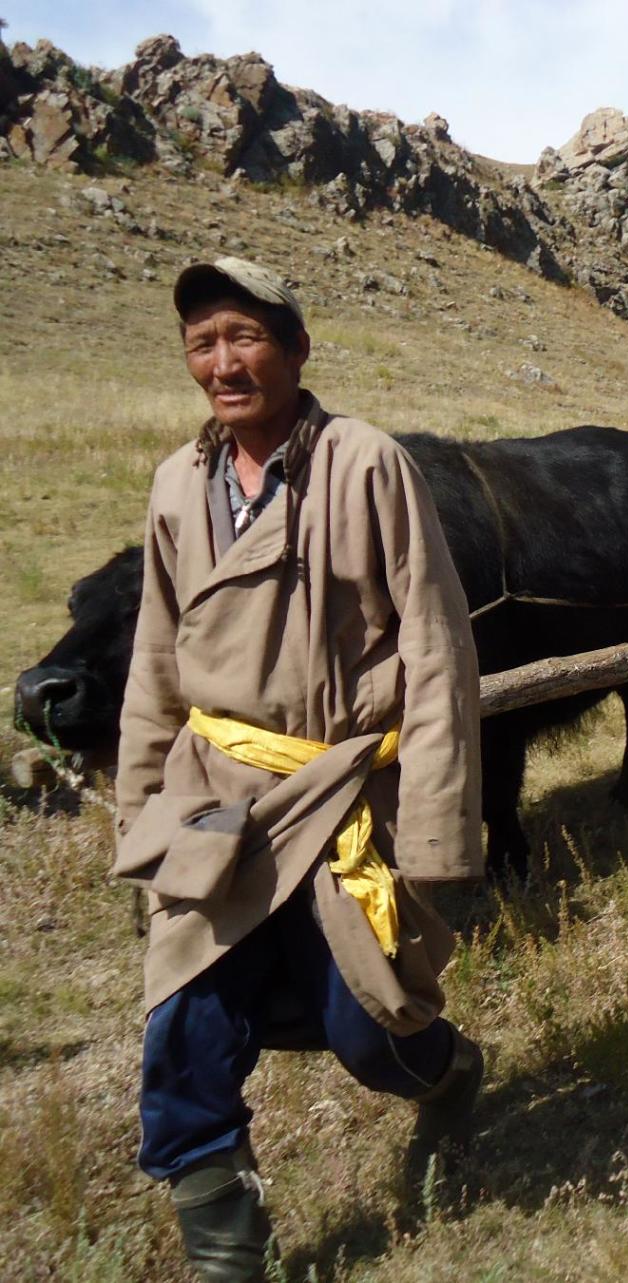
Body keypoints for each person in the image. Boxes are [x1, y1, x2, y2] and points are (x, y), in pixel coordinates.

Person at [112, 257, 485, 1281]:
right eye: (204, 343)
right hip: (211, 793)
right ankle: (228, 1248)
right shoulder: (177, 485)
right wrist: (137, 814)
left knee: (368, 1030)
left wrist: (447, 835)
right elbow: (155, 659)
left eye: (245, 337)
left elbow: (438, 646)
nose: (224, 362)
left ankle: (448, 1071)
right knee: (184, 1017)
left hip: (338, 790)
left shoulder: (364, 463)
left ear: (295, 349)